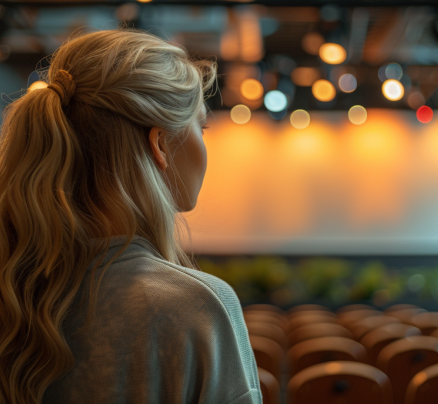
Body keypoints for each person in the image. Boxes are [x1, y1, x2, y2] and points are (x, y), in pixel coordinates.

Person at [0, 28, 263, 404]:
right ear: (159, 145)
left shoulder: (14, 292)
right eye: (201, 126)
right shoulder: (197, 308)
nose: (205, 145)